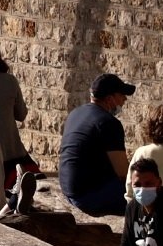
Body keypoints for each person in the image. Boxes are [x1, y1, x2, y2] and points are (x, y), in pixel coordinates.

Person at [54, 74, 136, 219]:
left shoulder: (76, 113)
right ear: (110, 99)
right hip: (88, 197)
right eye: (121, 95)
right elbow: (124, 174)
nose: (124, 99)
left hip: (68, 189)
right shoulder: (108, 123)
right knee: (147, 195)